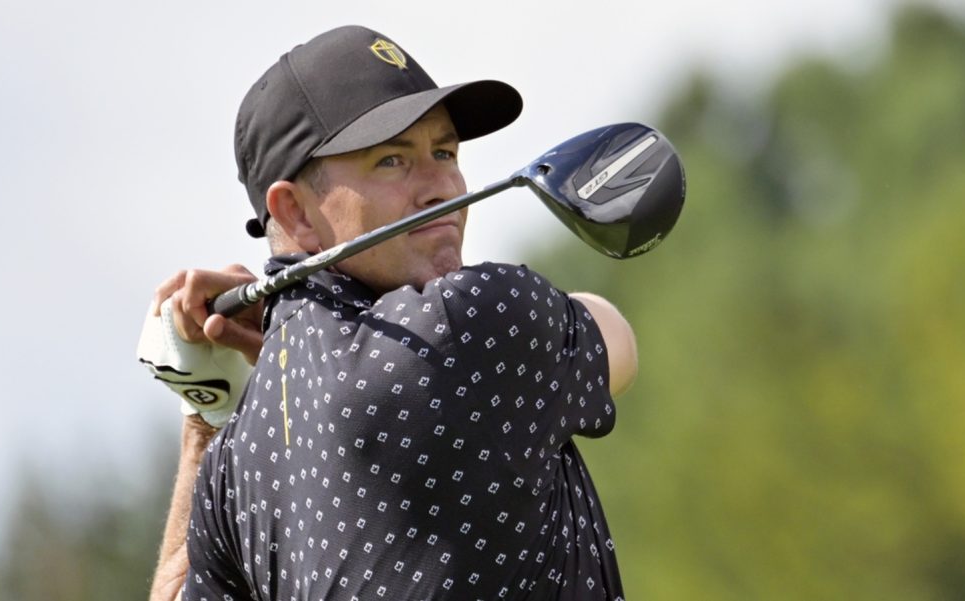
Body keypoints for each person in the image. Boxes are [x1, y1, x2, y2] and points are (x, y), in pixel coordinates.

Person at [145, 25, 638, 601]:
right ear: (296, 213)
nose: (442, 188)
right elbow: (617, 338)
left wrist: (208, 412)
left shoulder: (235, 462)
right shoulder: (472, 320)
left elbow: (175, 586)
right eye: (392, 161)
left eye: (445, 152)